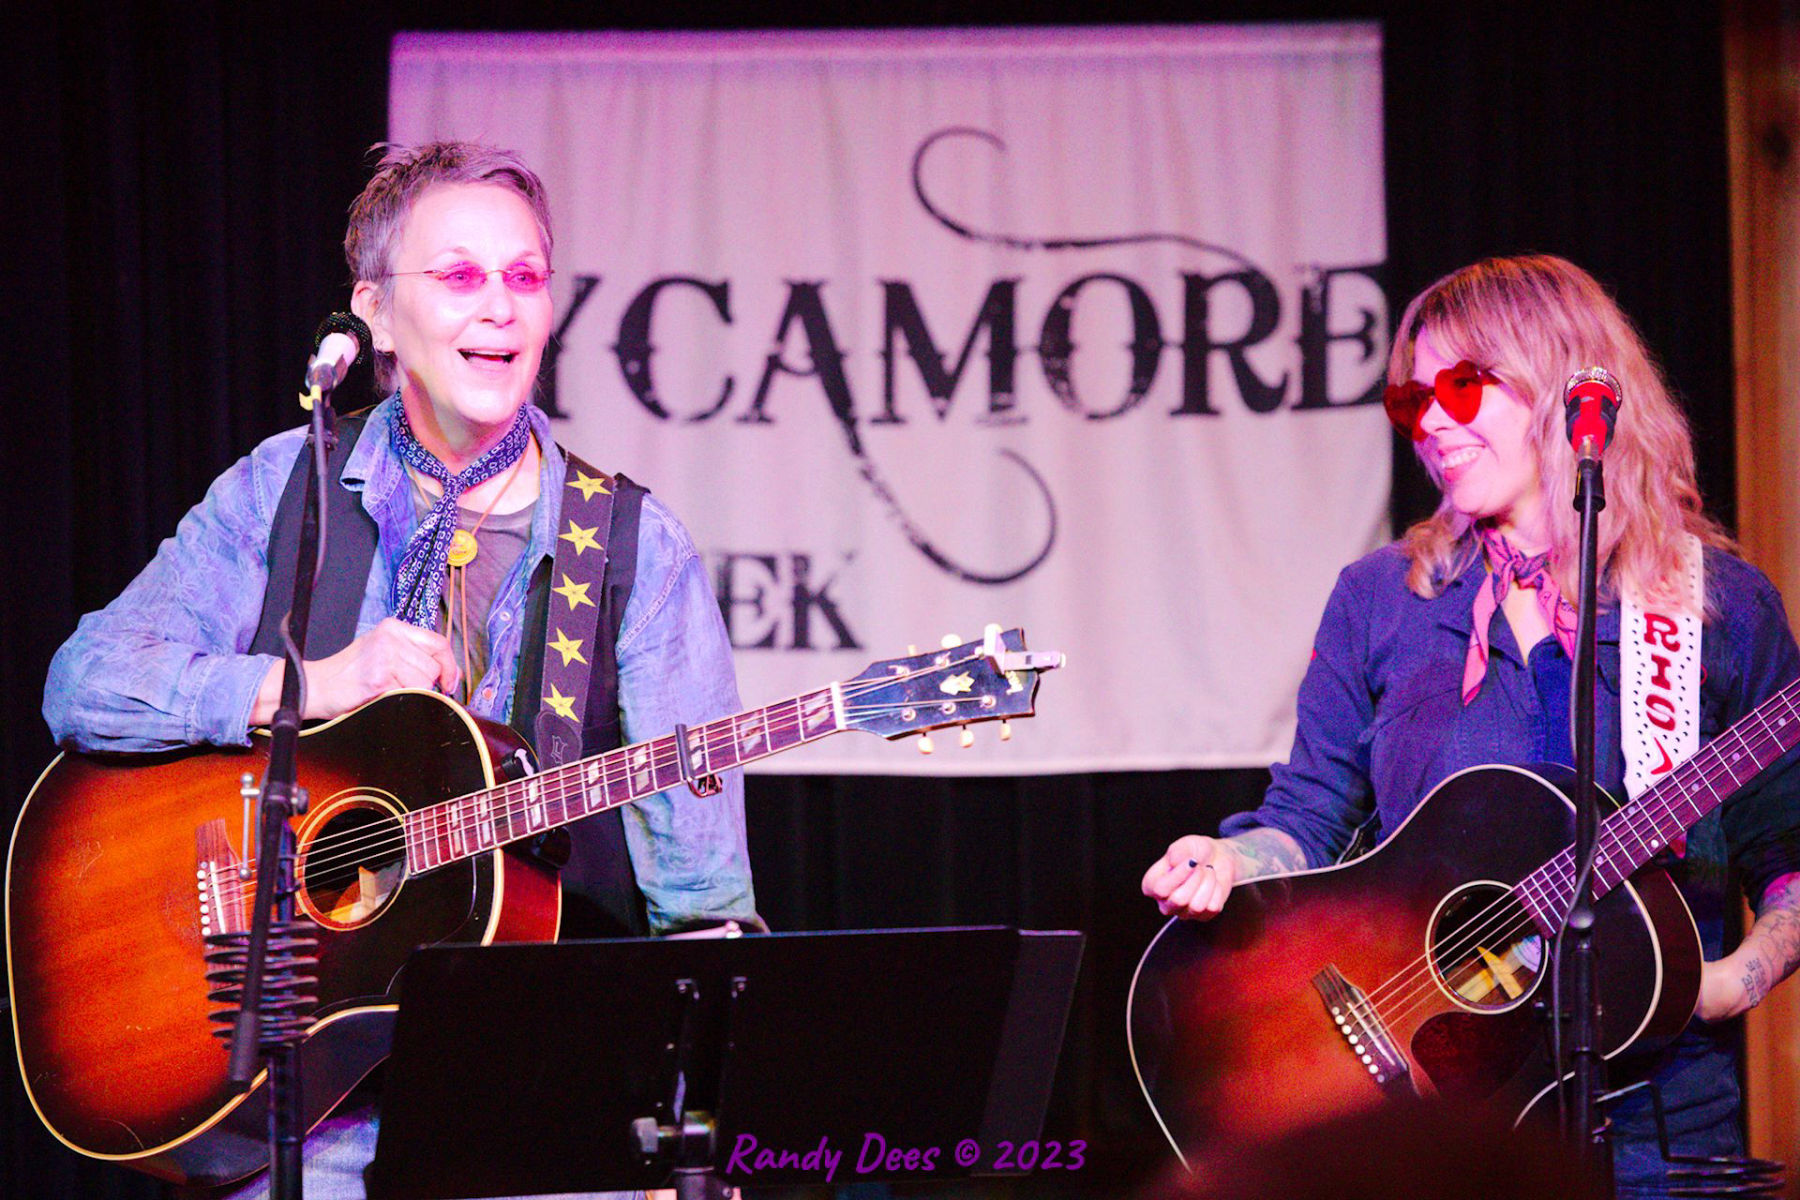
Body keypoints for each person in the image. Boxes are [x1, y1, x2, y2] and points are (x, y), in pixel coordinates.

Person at [44, 142, 758, 1199]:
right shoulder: (286, 486)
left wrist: (700, 1117)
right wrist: (311, 687)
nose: (502, 308)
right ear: (373, 314)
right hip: (307, 1107)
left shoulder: (635, 549)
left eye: (524, 277)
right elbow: (84, 679)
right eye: (461, 276)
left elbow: (701, 902)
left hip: (545, 1101)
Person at [1141, 254, 1800, 1198]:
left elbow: (1788, 852)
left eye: (1461, 386)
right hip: (1443, 1122)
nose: (1433, 425)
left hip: (1662, 1123)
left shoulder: (1713, 608)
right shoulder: (1383, 599)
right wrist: (1235, 860)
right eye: (1414, 402)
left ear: (1565, 382)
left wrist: (1737, 978)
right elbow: (1310, 815)